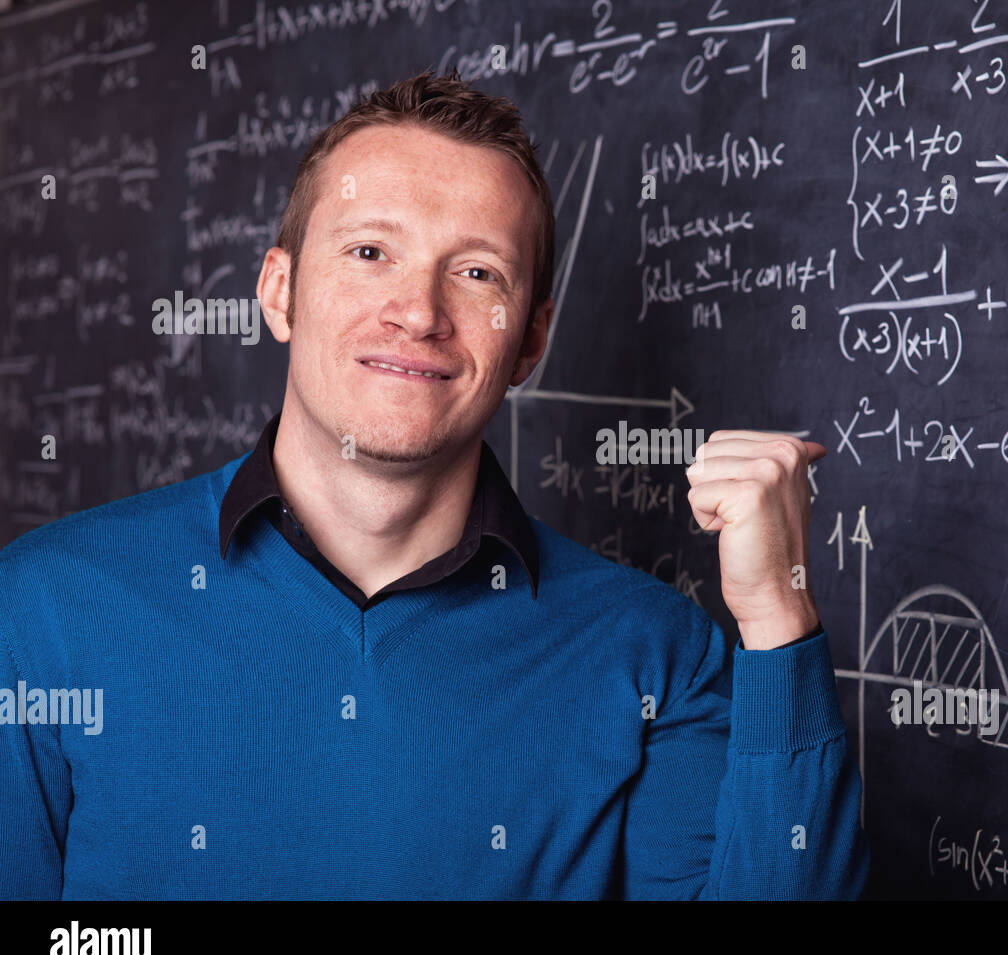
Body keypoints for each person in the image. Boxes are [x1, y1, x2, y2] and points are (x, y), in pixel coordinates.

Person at [0, 70, 869, 899]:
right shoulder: (46, 608)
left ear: (529, 341)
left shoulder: (653, 651)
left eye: (477, 271)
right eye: (370, 250)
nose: (419, 311)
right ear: (278, 291)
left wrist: (777, 619)